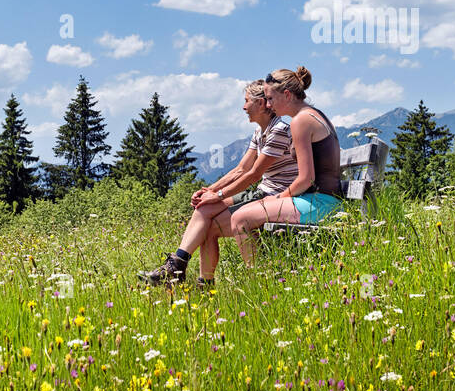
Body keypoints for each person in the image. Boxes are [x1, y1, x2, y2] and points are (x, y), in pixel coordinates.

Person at [141, 79, 298, 286]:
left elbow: (253, 175)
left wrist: (219, 195)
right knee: (205, 210)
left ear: (261, 104)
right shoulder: (261, 132)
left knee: (208, 223)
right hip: (263, 193)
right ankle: (184, 271)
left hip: (275, 197)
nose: (243, 107)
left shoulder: (278, 130)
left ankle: (183, 271)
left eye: (246, 101)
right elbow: (240, 169)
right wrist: (208, 190)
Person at [229, 67, 343, 264]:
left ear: (287, 95)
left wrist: (279, 196)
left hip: (322, 204)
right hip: (325, 199)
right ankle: (270, 270)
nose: (269, 105)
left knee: (240, 219)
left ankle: (257, 281)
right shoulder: (314, 114)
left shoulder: (300, 121)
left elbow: (307, 178)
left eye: (271, 98)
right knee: (250, 211)